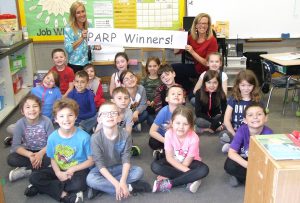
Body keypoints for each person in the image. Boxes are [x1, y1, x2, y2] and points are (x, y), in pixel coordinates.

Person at [25, 98, 94, 202]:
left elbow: (91, 161)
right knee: (34, 177)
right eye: (61, 116)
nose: (66, 119)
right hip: (59, 168)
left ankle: (42, 187)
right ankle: (63, 194)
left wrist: (72, 169)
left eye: (70, 115)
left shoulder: (84, 137)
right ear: (56, 119)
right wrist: (58, 173)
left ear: (75, 117)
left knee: (79, 184)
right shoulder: (53, 137)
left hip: (77, 170)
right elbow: (53, 159)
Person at [86, 102, 151, 200]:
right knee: (90, 179)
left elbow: (126, 159)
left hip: (118, 168)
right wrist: (117, 184)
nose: (109, 116)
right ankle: (130, 188)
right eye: (105, 114)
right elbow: (100, 165)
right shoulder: (95, 138)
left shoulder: (125, 135)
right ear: (99, 119)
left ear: (119, 117)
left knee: (138, 171)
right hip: (102, 170)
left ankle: (102, 188)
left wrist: (123, 180)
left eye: (113, 113)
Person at [151, 105, 209, 193]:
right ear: (172, 123)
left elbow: (187, 161)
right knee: (155, 166)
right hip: (174, 162)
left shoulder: (194, 138)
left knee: (204, 169)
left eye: (185, 124)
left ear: (190, 125)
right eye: (177, 123)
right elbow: (169, 158)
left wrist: (169, 174)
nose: (181, 127)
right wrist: (190, 173)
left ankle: (171, 183)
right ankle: (191, 179)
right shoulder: (168, 134)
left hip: (190, 163)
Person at [7, 94, 54, 182]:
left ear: (40, 109)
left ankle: (27, 171)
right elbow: (16, 146)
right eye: (27, 107)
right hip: (28, 151)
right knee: (11, 159)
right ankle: (37, 166)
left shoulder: (46, 121)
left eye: (35, 106)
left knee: (54, 158)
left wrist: (40, 154)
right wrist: (29, 155)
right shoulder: (20, 123)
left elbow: (52, 143)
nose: (32, 110)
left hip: (44, 151)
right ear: (22, 111)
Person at [224, 103, 273, 187]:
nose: (255, 117)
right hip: (244, 160)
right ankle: (251, 178)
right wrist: (248, 165)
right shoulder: (241, 130)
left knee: (270, 169)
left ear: (266, 118)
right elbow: (231, 153)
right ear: (245, 120)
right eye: (250, 115)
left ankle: (241, 178)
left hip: (258, 161)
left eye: (259, 114)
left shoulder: (268, 134)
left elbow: (269, 157)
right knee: (229, 165)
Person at [173, 13, 218, 94]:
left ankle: (193, 90)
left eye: (204, 23)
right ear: (196, 25)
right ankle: (188, 88)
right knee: (173, 68)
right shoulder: (191, 37)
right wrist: (179, 37)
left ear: (208, 25)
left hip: (207, 71)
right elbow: (176, 51)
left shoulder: (212, 40)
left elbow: (207, 63)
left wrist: (192, 52)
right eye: (200, 23)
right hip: (196, 68)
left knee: (194, 98)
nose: (202, 26)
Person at [220, 70, 261, 153]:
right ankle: (241, 147)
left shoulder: (256, 101)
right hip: (235, 131)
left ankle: (235, 147)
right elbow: (226, 120)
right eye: (243, 85)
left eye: (249, 85)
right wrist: (234, 134)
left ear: (254, 86)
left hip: (251, 132)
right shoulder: (234, 99)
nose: (246, 88)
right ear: (238, 85)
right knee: (223, 135)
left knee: (264, 135)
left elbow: (261, 119)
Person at [149, 85, 185, 160]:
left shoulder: (185, 112)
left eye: (179, 94)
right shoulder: (164, 111)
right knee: (153, 142)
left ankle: (166, 152)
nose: (176, 95)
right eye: (173, 94)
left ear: (183, 99)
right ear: (167, 99)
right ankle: (164, 151)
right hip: (164, 137)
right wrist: (166, 141)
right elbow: (152, 131)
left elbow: (190, 130)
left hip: (178, 136)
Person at [64, 1, 101, 73]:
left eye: (83, 11)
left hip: (88, 64)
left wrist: (96, 46)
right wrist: (81, 38)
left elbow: (91, 43)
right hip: (75, 65)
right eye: (78, 12)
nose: (81, 14)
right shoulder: (68, 28)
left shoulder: (89, 25)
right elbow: (68, 49)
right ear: (74, 15)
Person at [141, 57, 161, 125]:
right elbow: (140, 92)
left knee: (158, 121)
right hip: (147, 105)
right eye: (150, 66)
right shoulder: (144, 79)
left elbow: (163, 93)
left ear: (158, 66)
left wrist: (155, 101)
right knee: (151, 122)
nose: (152, 68)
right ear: (147, 67)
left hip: (159, 105)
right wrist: (146, 101)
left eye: (155, 66)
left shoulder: (162, 79)